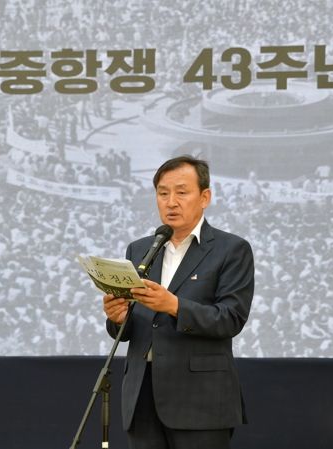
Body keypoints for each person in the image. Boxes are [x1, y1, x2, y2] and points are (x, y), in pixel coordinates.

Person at [103, 156, 255, 449]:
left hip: (200, 400)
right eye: (163, 193)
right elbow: (132, 328)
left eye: (181, 192)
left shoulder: (231, 249)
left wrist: (174, 305)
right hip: (141, 396)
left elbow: (230, 318)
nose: (171, 202)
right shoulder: (139, 249)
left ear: (205, 197)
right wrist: (118, 318)